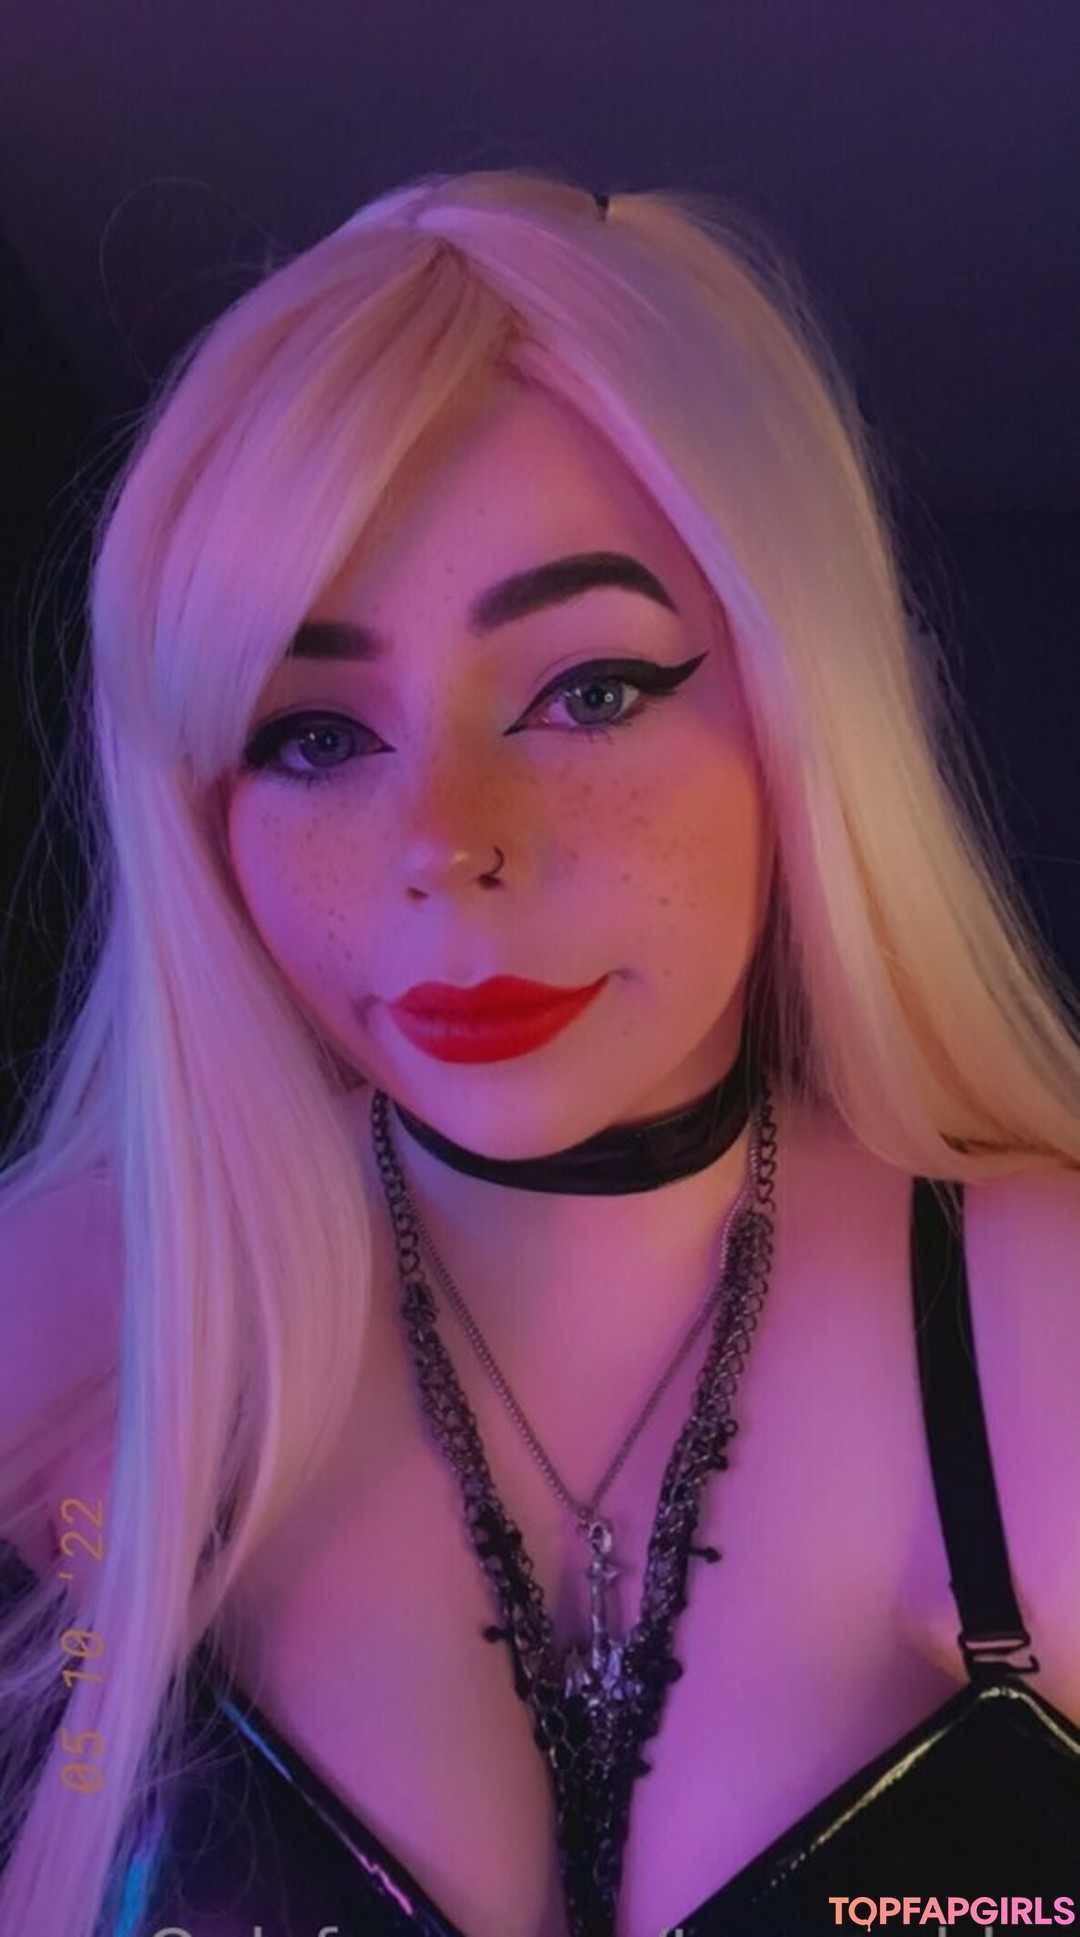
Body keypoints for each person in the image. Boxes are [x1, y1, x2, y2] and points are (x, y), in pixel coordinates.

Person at [0, 167, 1078, 1937]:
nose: (450, 840)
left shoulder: (1043, 1323)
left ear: (801, 706)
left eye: (590, 690)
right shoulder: (77, 1328)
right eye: (314, 731)